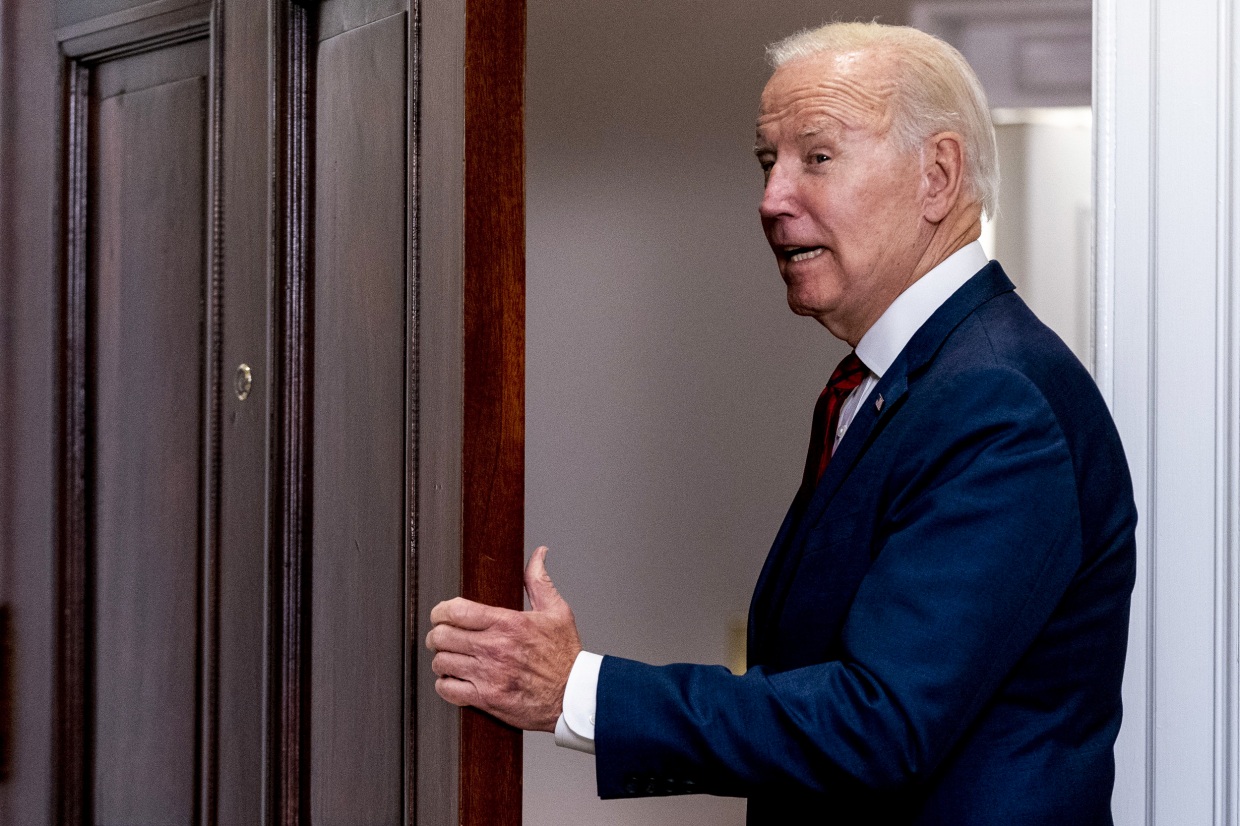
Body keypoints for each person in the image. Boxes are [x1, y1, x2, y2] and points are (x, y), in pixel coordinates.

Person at [426, 21, 1136, 825]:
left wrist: (579, 690)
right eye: (769, 162)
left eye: (817, 157)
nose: (771, 199)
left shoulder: (997, 399)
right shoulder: (896, 379)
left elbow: (879, 723)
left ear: (937, 176)